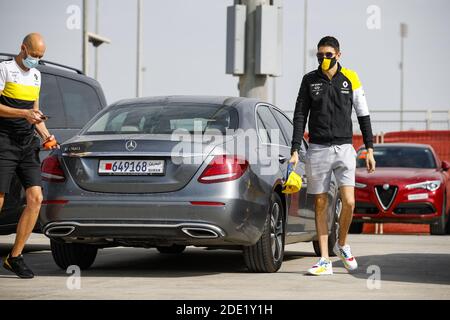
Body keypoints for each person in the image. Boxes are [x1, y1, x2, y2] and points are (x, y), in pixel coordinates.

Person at [289, 36, 376, 276]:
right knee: (320, 202)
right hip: (317, 148)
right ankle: (325, 260)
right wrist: (295, 149)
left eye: (328, 55)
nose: (323, 59)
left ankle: (342, 244)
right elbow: (299, 115)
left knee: (349, 201)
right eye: (320, 56)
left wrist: (369, 148)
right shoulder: (309, 80)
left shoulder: (351, 78)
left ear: (338, 55)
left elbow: (363, 114)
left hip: (345, 148)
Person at [0, 33, 57, 278]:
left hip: (27, 143)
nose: (37, 60)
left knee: (35, 198)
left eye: (41, 57)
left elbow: (34, 111)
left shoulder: (36, 75)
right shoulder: (4, 69)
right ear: (23, 48)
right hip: (4, 141)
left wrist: (46, 135)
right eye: (34, 55)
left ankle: (15, 257)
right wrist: (22, 114)